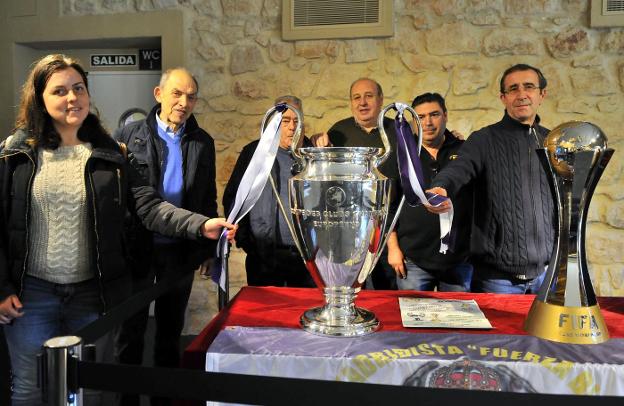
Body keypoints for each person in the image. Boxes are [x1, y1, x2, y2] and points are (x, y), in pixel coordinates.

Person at [0, 54, 235, 406]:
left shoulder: (111, 153)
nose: (72, 98)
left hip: (92, 296)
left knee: (89, 389)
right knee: (30, 388)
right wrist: (1, 286)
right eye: (59, 90)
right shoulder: (14, 154)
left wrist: (201, 225)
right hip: (31, 295)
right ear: (40, 97)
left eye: (78, 88)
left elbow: (150, 206)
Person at [112, 68, 219, 404]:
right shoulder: (130, 135)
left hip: (180, 253)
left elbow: (206, 198)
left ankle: (164, 401)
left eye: (190, 96)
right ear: (159, 94)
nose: (183, 102)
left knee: (170, 336)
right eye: (176, 94)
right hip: (137, 251)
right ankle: (126, 401)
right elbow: (119, 198)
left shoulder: (203, 142)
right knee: (130, 335)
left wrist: (208, 248)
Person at [427, 63, 555, 294]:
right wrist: (441, 187)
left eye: (529, 87)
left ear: (541, 94)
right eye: (513, 89)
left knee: (545, 333)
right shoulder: (484, 140)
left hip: (545, 276)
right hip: (496, 280)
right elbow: (458, 169)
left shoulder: (552, 143)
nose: (521, 94)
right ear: (503, 97)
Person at [312, 78, 399, 290]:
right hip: (349, 235)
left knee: (387, 295)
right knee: (353, 292)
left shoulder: (399, 132)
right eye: (356, 97)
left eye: (369, 96)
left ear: (381, 100)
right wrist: (316, 140)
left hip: (390, 232)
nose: (363, 103)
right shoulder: (338, 132)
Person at [223, 96, 315, 288]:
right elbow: (234, 197)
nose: (292, 127)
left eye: (297, 121)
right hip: (264, 257)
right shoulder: (254, 153)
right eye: (285, 121)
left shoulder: (313, 155)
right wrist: (246, 242)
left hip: (307, 259)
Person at [385, 93, 473, 291]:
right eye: (421, 117)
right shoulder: (402, 156)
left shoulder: (466, 151)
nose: (428, 122)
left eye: (434, 115)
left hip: (458, 260)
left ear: (445, 115)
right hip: (413, 260)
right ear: (414, 121)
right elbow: (389, 207)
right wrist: (393, 249)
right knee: (412, 319)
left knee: (456, 321)